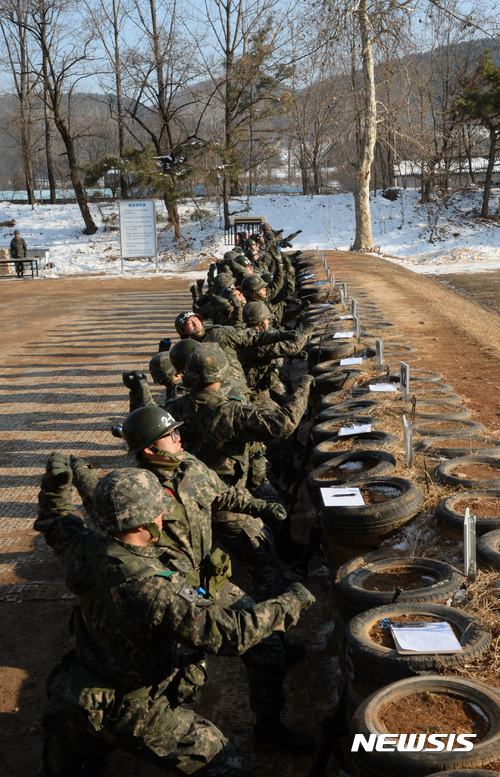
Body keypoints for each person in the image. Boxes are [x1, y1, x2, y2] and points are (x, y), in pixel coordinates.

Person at [34, 454, 316, 775]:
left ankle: (88, 742)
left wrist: (54, 486)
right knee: (230, 766)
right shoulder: (153, 588)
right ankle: (104, 737)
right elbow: (230, 635)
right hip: (134, 708)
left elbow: (54, 517)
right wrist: (293, 600)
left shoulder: (80, 548)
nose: (162, 513)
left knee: (67, 754)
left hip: (79, 690)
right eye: (158, 507)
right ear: (143, 521)